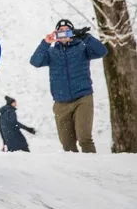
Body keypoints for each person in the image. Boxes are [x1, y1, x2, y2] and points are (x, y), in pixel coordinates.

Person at [30, 19, 108, 153]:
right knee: (67, 144)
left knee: (84, 138)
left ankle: (94, 168)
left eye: (67, 30)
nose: (63, 33)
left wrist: (86, 37)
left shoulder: (82, 48)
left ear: (72, 33)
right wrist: (45, 43)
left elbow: (102, 51)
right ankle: (75, 172)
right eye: (60, 31)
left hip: (82, 99)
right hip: (61, 103)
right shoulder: (51, 53)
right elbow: (35, 61)